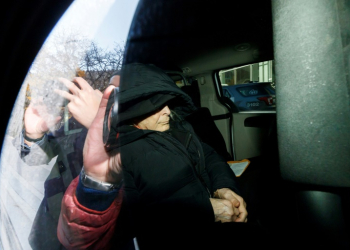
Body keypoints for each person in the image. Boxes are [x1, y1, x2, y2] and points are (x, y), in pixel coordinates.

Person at [57, 63, 268, 250]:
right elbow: (115, 232)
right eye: (156, 104)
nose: (168, 111)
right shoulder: (120, 156)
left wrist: (224, 187)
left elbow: (209, 155)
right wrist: (206, 210)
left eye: (167, 101)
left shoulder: (176, 126)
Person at [12, 73, 120, 249]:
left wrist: (100, 127)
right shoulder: (76, 123)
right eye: (108, 87)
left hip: (92, 238)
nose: (107, 94)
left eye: (117, 92)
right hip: (51, 222)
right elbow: (40, 157)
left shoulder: (139, 143)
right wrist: (33, 136)